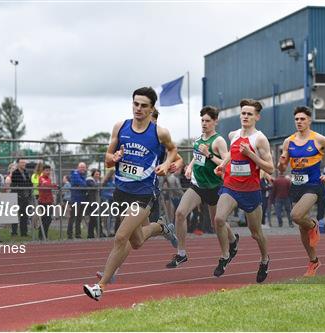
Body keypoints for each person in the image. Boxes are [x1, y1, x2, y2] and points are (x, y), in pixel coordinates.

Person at [83, 87, 178, 301]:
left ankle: (101, 286)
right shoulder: (121, 126)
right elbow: (107, 158)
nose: (138, 109)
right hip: (122, 191)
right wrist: (113, 157)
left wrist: (167, 163)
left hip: (144, 192)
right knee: (136, 241)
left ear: (151, 108)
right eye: (136, 104)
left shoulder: (159, 132)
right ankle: (162, 227)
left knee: (120, 236)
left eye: (144, 106)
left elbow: (173, 150)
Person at [165, 106, 236, 269]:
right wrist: (189, 167)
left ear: (215, 122)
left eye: (208, 121)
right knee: (180, 213)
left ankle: (231, 244)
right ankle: (181, 253)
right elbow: (197, 157)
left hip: (215, 187)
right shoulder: (198, 140)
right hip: (197, 185)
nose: (204, 124)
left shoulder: (218, 141)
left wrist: (209, 155)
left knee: (217, 223)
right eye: (202, 120)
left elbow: (227, 163)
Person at [213, 99, 275, 282]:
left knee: (256, 233)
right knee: (218, 219)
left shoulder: (260, 139)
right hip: (231, 185)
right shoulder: (233, 134)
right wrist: (223, 165)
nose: (245, 116)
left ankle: (264, 259)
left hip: (251, 190)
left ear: (257, 117)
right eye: (243, 113)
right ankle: (226, 255)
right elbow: (233, 153)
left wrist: (251, 154)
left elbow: (270, 168)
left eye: (249, 114)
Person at [277, 106, 325, 277]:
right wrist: (282, 163)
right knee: (301, 228)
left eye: (302, 119)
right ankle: (314, 261)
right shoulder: (288, 142)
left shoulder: (319, 139)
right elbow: (282, 167)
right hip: (296, 186)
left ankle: (314, 225)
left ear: (309, 120)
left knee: (296, 216)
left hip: (313, 185)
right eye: (297, 119)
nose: (299, 122)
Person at [10, 158, 32, 237]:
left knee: (24, 215)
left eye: (24, 163)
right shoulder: (15, 173)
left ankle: (24, 232)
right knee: (15, 215)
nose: (24, 164)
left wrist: (29, 192)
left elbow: (30, 183)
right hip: (18, 196)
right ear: (18, 164)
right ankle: (14, 232)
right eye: (22, 163)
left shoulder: (26, 173)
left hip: (25, 196)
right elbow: (15, 184)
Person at [38, 164, 56, 239]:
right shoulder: (41, 178)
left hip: (49, 201)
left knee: (48, 219)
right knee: (45, 218)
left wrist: (53, 185)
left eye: (49, 170)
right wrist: (54, 185)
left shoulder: (49, 178)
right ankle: (41, 234)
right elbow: (46, 185)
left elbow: (50, 186)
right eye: (46, 170)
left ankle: (44, 234)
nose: (48, 172)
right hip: (43, 201)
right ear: (43, 171)